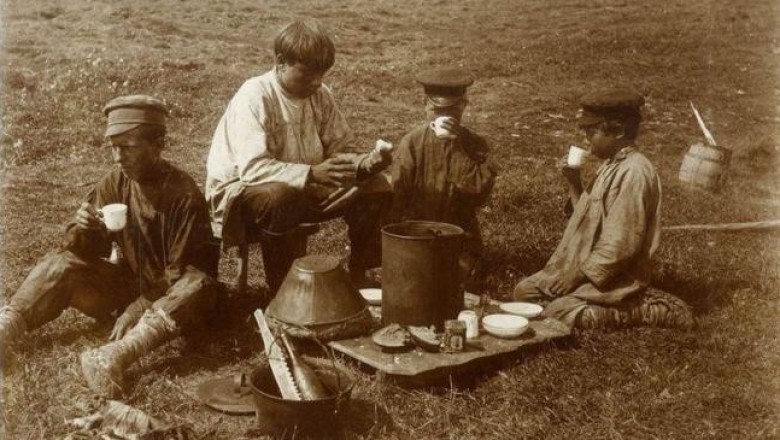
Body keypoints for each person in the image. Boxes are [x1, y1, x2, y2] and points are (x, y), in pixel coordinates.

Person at [0, 95, 220, 398]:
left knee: (198, 285)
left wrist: (136, 309)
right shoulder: (115, 182)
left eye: (127, 147)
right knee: (61, 263)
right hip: (129, 287)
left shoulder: (183, 195)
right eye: (113, 148)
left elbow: (179, 274)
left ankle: (116, 355)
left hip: (177, 300)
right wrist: (83, 227)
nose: (118, 157)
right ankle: (7, 327)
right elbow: (82, 251)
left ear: (158, 145)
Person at [206, 18, 393, 293]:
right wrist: (311, 173)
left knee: (377, 187)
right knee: (281, 196)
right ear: (281, 62)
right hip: (242, 196)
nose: (317, 82)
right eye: (307, 74)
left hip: (307, 187)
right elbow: (253, 169)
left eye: (322, 74)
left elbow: (341, 149)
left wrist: (366, 164)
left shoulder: (320, 94)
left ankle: (360, 275)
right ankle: (284, 292)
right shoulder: (255, 95)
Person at [513, 88, 693, 330]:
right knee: (523, 293)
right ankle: (579, 301)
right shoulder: (611, 165)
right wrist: (573, 182)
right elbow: (586, 219)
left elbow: (621, 244)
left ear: (618, 131)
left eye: (592, 132)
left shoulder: (634, 172)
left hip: (615, 276)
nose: (587, 140)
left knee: (557, 314)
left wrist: (576, 276)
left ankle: (644, 307)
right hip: (586, 266)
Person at [391, 67, 496, 282]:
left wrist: (456, 149)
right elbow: (397, 199)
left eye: (452, 111)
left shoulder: (475, 145)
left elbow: (477, 193)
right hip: (418, 236)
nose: (445, 117)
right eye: (437, 110)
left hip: (460, 238)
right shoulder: (412, 143)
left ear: (464, 105)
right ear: (425, 105)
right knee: (416, 280)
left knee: (454, 279)